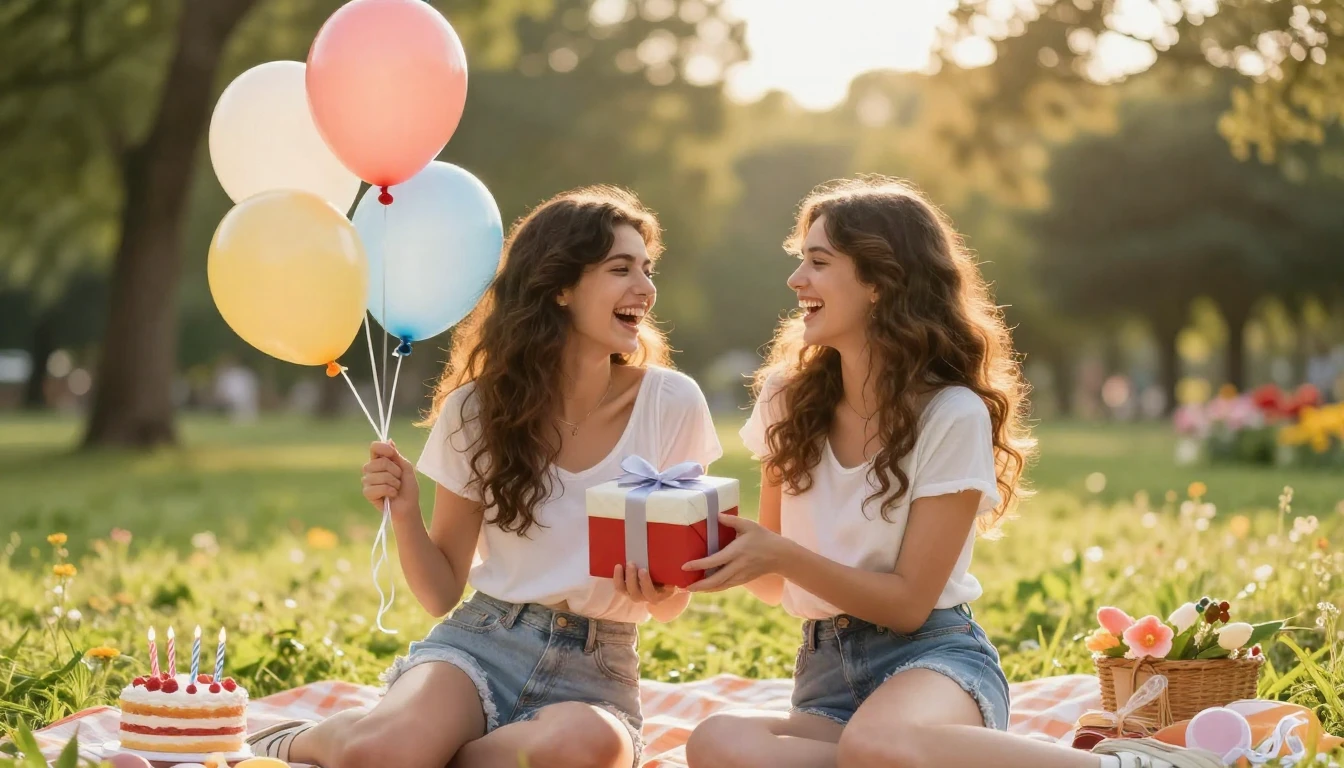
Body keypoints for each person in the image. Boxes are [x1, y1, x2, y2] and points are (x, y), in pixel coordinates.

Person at [683, 177, 1222, 768]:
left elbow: (909, 603)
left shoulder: (951, 413)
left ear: (879, 282)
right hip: (826, 677)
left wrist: (780, 555)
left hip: (932, 662)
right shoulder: (789, 398)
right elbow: (773, 582)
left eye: (817, 262)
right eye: (799, 261)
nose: (795, 280)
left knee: (878, 743)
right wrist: (700, 560)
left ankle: (1129, 766)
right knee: (716, 741)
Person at [248, 186, 722, 768]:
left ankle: (431, 753)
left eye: (647, 271)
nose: (645, 289)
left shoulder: (671, 403)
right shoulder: (476, 410)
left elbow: (672, 604)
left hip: (598, 671)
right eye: (621, 269)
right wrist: (404, 511)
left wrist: (662, 590)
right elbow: (442, 591)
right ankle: (313, 738)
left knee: (588, 748)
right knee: (382, 751)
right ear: (560, 287)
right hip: (480, 645)